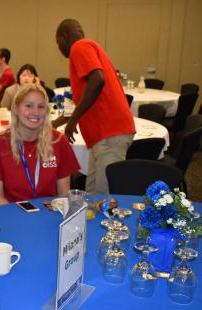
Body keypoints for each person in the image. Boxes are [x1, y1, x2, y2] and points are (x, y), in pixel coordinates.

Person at [54, 18, 135, 194]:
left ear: (64, 36)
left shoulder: (80, 47)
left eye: (57, 42)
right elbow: (86, 99)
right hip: (103, 136)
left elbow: (97, 80)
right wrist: (54, 124)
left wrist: (73, 120)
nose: (59, 48)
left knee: (102, 198)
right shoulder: (88, 47)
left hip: (109, 133)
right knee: (91, 195)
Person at [0, 84, 80, 205]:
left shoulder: (58, 141)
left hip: (50, 213)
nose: (35, 112)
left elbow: (64, 194)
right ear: (15, 108)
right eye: (28, 106)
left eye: (41, 107)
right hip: (12, 213)